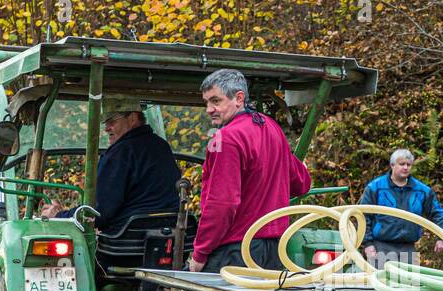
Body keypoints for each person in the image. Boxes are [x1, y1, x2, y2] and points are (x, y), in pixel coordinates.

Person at [189, 69, 311, 273]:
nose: (209, 109)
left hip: (236, 251)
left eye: (216, 101)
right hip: (275, 252)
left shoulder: (226, 138)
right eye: (207, 102)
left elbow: (222, 204)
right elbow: (302, 183)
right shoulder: (272, 129)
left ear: (239, 98)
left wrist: (199, 254)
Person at [39, 97, 179, 231]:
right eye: (106, 122)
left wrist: (59, 217)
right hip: (169, 236)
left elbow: (97, 213)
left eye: (112, 121)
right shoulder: (161, 146)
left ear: (132, 118)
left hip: (127, 241)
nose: (106, 128)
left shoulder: (120, 152)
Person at [359, 148, 443, 268]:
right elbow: (363, 216)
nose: (406, 167)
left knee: (411, 284)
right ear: (392, 165)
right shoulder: (375, 188)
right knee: (381, 284)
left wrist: (442, 238)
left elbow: (437, 213)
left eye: (408, 165)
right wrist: (368, 244)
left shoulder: (422, 191)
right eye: (402, 164)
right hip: (380, 246)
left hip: (408, 246)